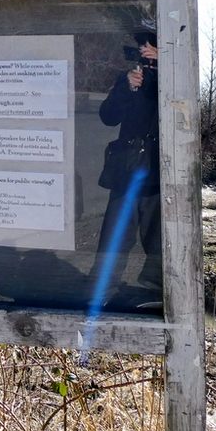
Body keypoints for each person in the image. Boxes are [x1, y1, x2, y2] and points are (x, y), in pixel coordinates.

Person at [91, 26, 162, 305]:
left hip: (158, 169)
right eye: (141, 46)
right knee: (114, 233)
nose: (144, 51)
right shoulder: (130, 78)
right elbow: (108, 116)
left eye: (150, 46)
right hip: (127, 168)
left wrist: (163, 68)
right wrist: (129, 87)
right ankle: (102, 288)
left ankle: (154, 289)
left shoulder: (174, 75)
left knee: (156, 234)